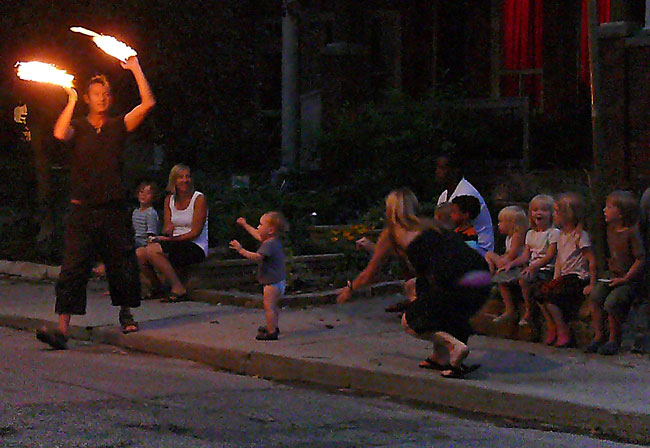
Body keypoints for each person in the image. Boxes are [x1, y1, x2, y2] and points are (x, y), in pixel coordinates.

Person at [36, 57, 156, 349]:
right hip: (82, 211)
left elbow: (148, 103)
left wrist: (136, 68)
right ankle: (62, 330)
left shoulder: (117, 125)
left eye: (106, 94)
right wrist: (71, 97)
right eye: (96, 94)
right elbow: (59, 133)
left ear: (110, 98)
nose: (102, 98)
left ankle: (126, 313)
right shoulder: (77, 125)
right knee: (73, 268)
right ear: (88, 99)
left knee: (122, 265)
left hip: (113, 210)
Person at [337, 189, 491, 379]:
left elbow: (369, 274)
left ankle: (454, 347)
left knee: (410, 321)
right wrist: (374, 249)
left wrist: (350, 289)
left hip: (453, 279)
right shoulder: (430, 225)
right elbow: (431, 253)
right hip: (480, 275)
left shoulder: (392, 232)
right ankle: (440, 356)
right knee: (413, 286)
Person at [137, 164, 208, 302]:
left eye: (187, 177)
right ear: (174, 181)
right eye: (181, 177)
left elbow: (195, 232)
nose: (185, 180)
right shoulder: (169, 199)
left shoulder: (198, 199)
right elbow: (167, 226)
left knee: (152, 251)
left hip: (194, 244)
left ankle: (178, 288)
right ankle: (157, 287)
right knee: (140, 253)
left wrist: (171, 240)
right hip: (175, 241)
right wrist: (165, 233)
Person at [586, 191, 645, 355]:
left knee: (612, 302)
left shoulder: (631, 232)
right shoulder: (610, 229)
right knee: (596, 296)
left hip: (628, 279)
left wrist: (626, 278)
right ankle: (598, 335)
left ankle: (614, 339)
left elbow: (640, 259)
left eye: (609, 207)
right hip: (612, 275)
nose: (605, 210)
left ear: (621, 212)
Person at [535, 193, 596, 348]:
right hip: (563, 276)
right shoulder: (562, 234)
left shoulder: (580, 236)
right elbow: (560, 260)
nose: (554, 215)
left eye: (556, 212)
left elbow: (591, 260)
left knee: (552, 300)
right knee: (538, 293)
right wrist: (555, 278)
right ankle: (552, 326)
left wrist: (592, 283)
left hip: (577, 277)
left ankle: (563, 331)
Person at [501, 194, 559, 326]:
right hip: (530, 268)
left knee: (524, 280)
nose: (539, 213)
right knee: (502, 277)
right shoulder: (530, 234)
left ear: (552, 214)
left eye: (544, 210)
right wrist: (511, 264)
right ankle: (509, 310)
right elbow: (525, 256)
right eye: (535, 210)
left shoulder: (553, 232)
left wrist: (534, 267)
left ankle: (529, 312)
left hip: (545, 270)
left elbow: (550, 255)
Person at [230, 212, 288, 341]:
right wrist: (245, 225)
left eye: (261, 224)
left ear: (271, 230)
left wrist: (241, 250)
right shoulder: (273, 241)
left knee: (269, 307)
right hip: (279, 281)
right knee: (274, 306)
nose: (258, 227)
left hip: (272, 283)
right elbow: (257, 234)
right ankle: (273, 325)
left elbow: (257, 257)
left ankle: (271, 332)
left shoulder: (268, 245)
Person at [435, 153, 494, 255]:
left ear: (455, 170)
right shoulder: (444, 196)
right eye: (437, 168)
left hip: (478, 249)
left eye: (442, 168)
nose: (437, 172)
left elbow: (448, 227)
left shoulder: (466, 194)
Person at [485, 205, 528, 323]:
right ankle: (490, 276)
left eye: (501, 222)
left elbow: (511, 256)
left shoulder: (517, 237)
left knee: (489, 255)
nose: (498, 225)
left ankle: (510, 310)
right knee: (489, 255)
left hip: (517, 266)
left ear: (511, 224)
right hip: (509, 263)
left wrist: (500, 260)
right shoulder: (509, 237)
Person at [133, 181, 159, 249]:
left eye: (148, 193)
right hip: (135, 241)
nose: (143, 195)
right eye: (141, 192)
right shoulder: (135, 212)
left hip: (143, 244)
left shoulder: (151, 213)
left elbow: (151, 234)